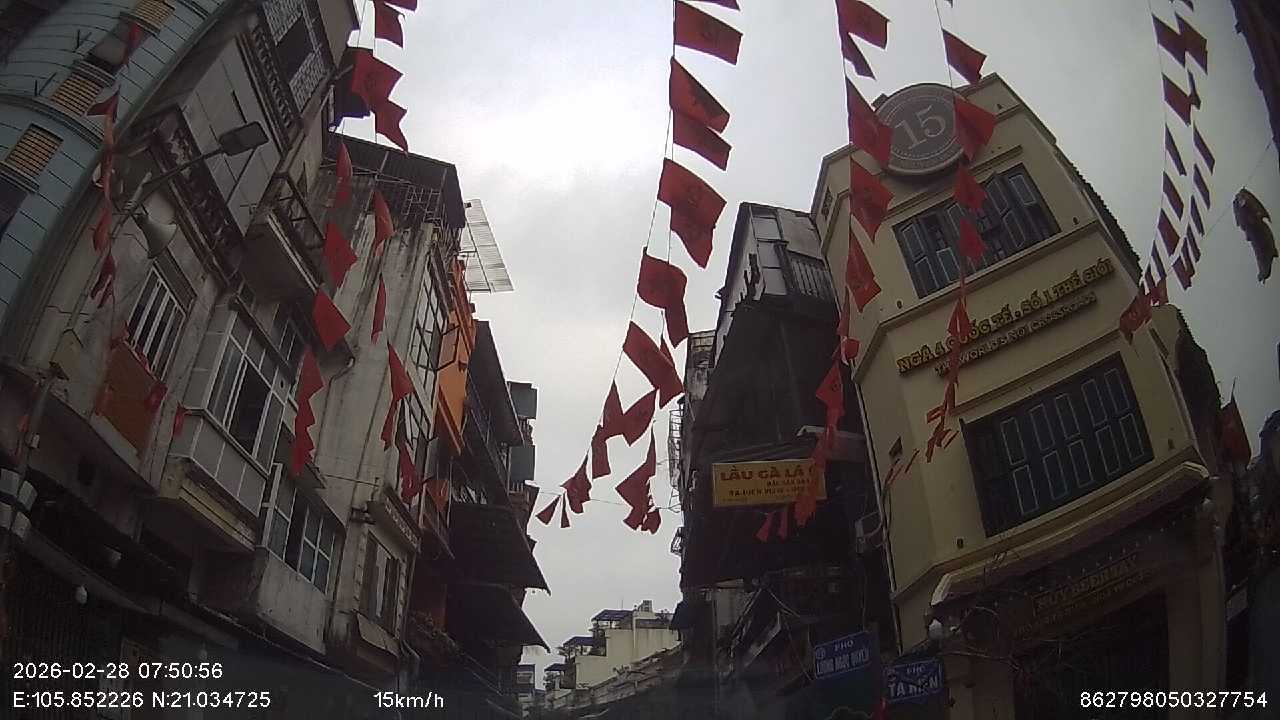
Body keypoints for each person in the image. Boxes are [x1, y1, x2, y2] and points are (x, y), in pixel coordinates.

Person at [1233, 188, 1277, 282]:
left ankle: (1264, 270)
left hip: (1257, 229)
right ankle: (1264, 270)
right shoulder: (1239, 205)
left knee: (1261, 249)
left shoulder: (1245, 205)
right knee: (1260, 249)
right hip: (1254, 230)